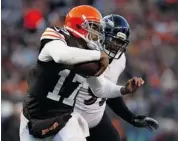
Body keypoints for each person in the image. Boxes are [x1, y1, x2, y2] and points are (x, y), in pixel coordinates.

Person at [20, 6, 136, 141]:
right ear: (79, 25)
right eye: (94, 27)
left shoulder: (91, 52)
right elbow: (61, 55)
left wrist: (123, 89)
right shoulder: (56, 35)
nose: (98, 33)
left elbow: (99, 88)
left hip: (63, 117)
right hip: (34, 116)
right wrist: (98, 55)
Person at [73, 14, 159, 141]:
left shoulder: (120, 59)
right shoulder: (86, 53)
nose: (116, 46)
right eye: (113, 40)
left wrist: (131, 117)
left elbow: (107, 92)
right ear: (101, 35)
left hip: (95, 117)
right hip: (71, 118)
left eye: (120, 42)